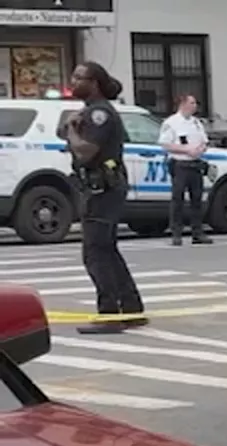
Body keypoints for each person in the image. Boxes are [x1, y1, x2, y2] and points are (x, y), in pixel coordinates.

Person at [62, 62, 145, 334]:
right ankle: (132, 308)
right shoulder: (91, 111)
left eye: (79, 77)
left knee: (95, 253)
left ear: (94, 82)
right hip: (101, 187)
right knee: (107, 249)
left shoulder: (100, 113)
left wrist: (73, 130)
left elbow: (86, 151)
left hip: (103, 189)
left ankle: (109, 313)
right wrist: (71, 125)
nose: (73, 81)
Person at [159, 94, 211, 246]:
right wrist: (186, 150)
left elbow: (204, 141)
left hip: (195, 164)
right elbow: (165, 144)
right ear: (183, 104)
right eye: (192, 103)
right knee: (178, 200)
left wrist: (200, 149)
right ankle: (176, 233)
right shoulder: (172, 122)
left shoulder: (196, 122)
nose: (195, 106)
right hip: (180, 164)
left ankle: (197, 233)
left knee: (197, 200)